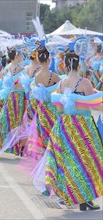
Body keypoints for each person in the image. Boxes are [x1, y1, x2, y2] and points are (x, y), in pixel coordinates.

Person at [33, 51, 103, 210]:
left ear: (65, 64)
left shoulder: (62, 83)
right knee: (87, 161)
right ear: (79, 65)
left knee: (69, 161)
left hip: (65, 125)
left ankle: (72, 195)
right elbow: (93, 104)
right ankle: (85, 199)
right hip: (83, 126)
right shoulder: (85, 82)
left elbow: (58, 107)